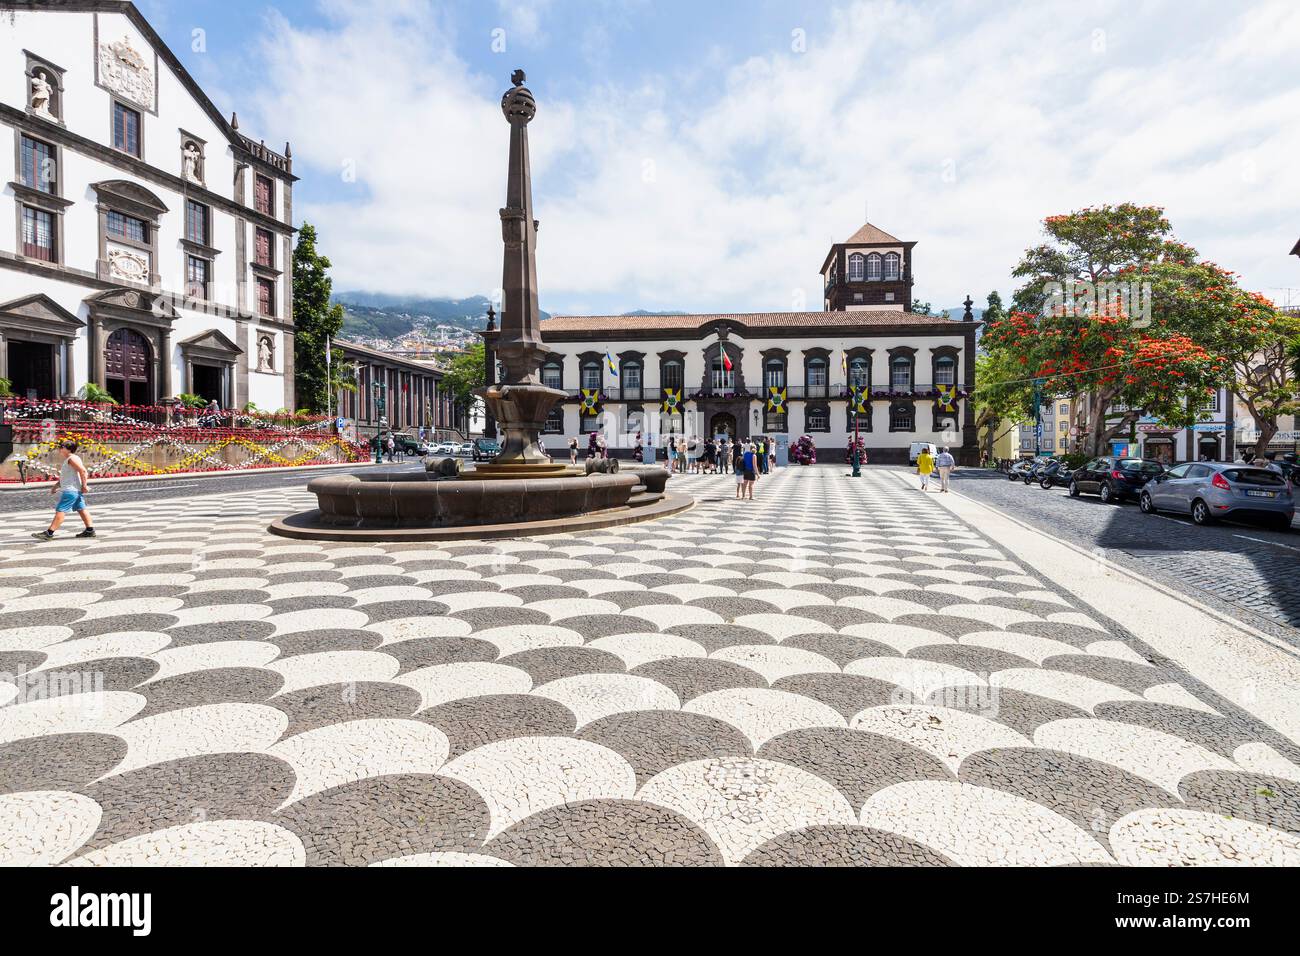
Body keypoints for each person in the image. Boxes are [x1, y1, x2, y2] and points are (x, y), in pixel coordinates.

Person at [32, 440, 95, 540]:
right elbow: (66, 477)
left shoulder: (71, 459)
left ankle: (49, 533)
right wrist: (55, 487)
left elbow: (83, 471)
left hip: (71, 491)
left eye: (62, 447)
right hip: (75, 490)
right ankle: (90, 530)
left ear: (68, 449)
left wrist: (84, 485)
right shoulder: (73, 459)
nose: (60, 448)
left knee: (60, 510)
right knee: (82, 509)